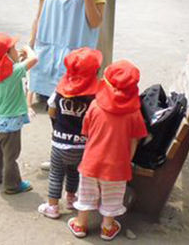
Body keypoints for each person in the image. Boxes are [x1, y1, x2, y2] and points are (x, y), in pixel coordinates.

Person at [68, 60, 148, 241]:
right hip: (117, 166)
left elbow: (87, 132)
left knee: (87, 194)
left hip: (91, 162)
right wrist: (127, 160)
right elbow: (134, 140)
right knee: (112, 198)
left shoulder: (95, 106)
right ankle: (107, 227)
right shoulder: (134, 113)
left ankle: (80, 224)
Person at [28, 0, 107, 112]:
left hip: (77, 50)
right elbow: (39, 13)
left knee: (69, 104)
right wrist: (32, 42)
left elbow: (95, 22)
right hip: (48, 45)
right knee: (45, 93)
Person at [37, 48, 102, 219]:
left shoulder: (60, 90)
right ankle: (72, 199)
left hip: (59, 143)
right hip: (83, 146)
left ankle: (52, 207)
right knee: (75, 172)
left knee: (56, 175)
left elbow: (51, 110)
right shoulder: (96, 94)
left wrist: (60, 122)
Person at [0, 33, 38, 194]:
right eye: (13, 48)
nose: (16, 50)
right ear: (6, 55)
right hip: (11, 125)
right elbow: (34, 60)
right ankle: (12, 185)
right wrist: (28, 49)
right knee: (10, 156)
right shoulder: (15, 72)